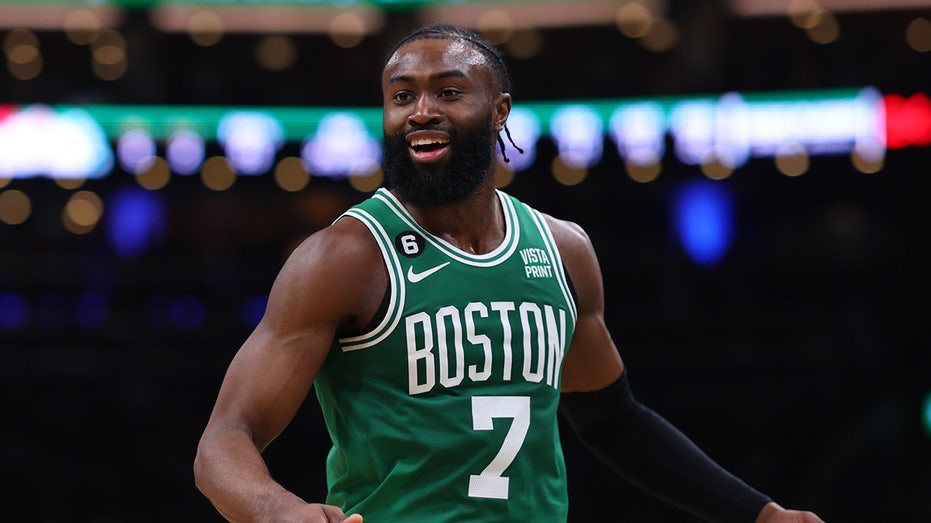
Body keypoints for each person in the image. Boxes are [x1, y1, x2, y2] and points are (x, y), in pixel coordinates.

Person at [193, 23, 825, 523]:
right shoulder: (344, 256)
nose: (420, 110)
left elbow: (612, 420)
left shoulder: (562, 249)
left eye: (447, 91)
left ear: (499, 112)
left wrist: (759, 513)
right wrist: (276, 510)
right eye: (401, 96)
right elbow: (223, 441)